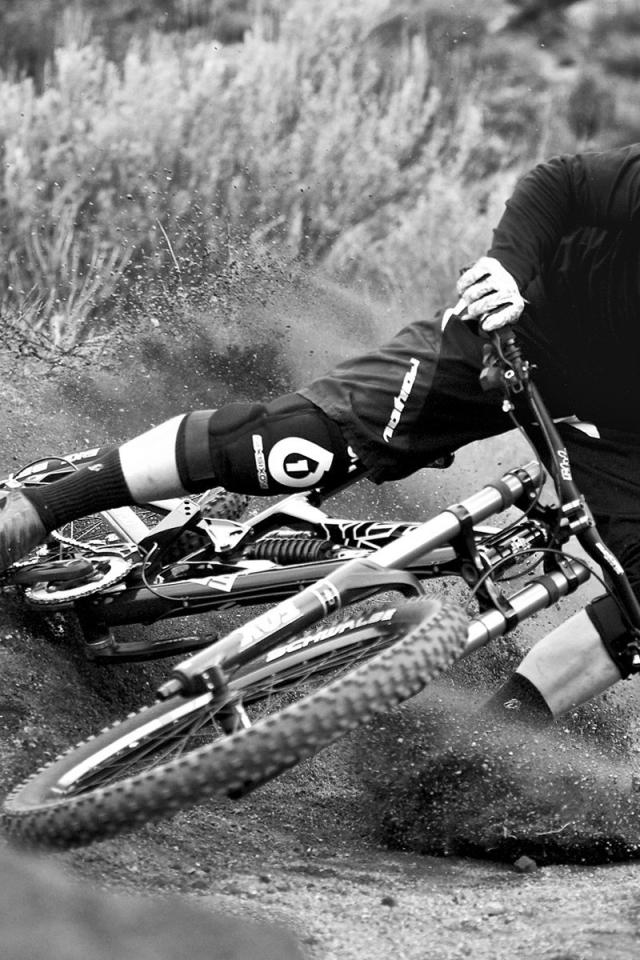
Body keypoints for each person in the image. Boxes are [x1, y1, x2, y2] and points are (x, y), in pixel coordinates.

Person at [3, 143, 640, 724]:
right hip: (519, 328)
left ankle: (485, 755)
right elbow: (564, 182)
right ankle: (37, 510)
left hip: (619, 426)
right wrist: (507, 269)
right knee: (304, 448)